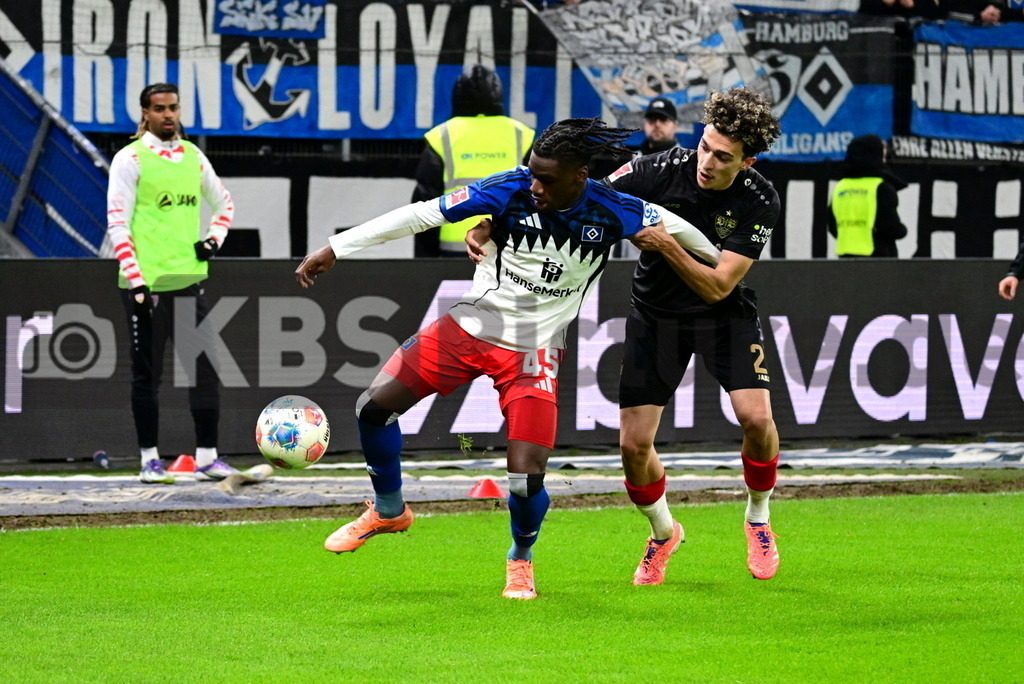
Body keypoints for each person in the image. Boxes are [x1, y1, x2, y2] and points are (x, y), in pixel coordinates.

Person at [294, 118, 719, 600]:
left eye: (547, 179)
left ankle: (520, 558)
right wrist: (337, 247)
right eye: (532, 174)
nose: (534, 186)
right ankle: (389, 510)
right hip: (470, 327)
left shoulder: (615, 209)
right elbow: (422, 214)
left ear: (580, 175)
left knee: (523, 480)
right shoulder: (509, 188)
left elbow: (687, 235)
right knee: (372, 408)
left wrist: (722, 266)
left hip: (534, 352)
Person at [602, 87, 784, 583]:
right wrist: (494, 224)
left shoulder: (759, 199)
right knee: (633, 447)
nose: (707, 162)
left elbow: (719, 285)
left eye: (723, 156)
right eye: (705, 146)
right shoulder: (657, 170)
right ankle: (663, 533)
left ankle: (758, 518)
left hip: (723, 315)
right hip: (655, 316)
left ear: (747, 161)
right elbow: (583, 196)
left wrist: (665, 244)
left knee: (756, 418)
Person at [106, 82, 238, 485]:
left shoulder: (194, 157)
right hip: (146, 285)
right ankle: (149, 461)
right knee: (148, 376)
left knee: (205, 372)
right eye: (160, 108)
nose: (168, 115)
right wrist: (136, 281)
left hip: (188, 280)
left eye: (173, 107)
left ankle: (207, 458)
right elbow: (117, 223)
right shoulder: (130, 159)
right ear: (145, 113)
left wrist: (212, 241)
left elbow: (225, 204)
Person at [412, 64, 535, 257]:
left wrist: (426, 258)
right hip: (512, 247)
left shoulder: (442, 136)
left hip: (454, 251)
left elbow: (425, 201)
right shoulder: (522, 135)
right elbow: (542, 196)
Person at [827, 134, 908, 258]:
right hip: (879, 258)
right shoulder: (881, 187)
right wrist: (903, 231)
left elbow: (833, 226)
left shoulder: (840, 187)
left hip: (846, 258)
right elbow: (891, 227)